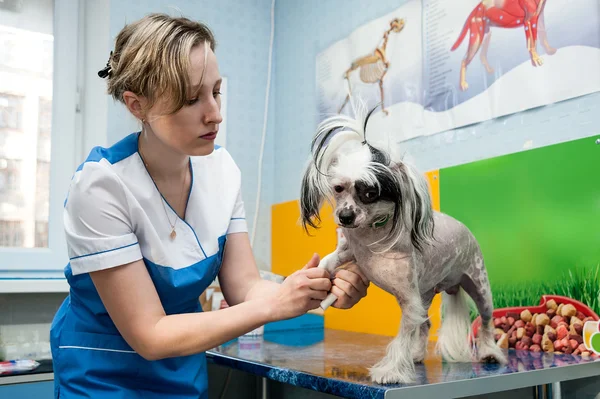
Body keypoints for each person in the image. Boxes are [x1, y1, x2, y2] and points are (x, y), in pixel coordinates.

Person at [49, 13, 370, 398]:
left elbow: (246, 288)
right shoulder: (101, 187)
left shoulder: (222, 171)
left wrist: (314, 290)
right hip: (102, 375)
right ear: (137, 105)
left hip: (181, 371)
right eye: (191, 98)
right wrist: (277, 305)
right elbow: (150, 335)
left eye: (216, 91)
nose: (214, 113)